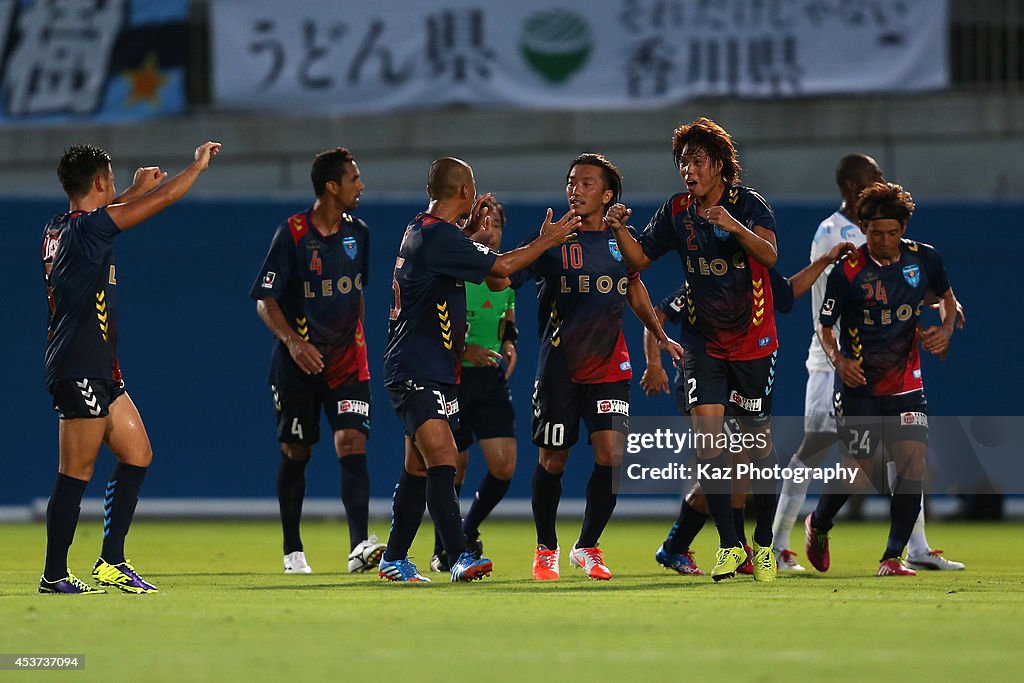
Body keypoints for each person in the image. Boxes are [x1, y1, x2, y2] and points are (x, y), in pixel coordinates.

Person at [378, 157, 581, 583]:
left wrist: (474, 239)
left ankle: (394, 558)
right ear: (466, 192)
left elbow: (487, 275)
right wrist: (548, 240)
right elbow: (503, 269)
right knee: (444, 458)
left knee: (418, 467)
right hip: (417, 367)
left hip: (426, 367)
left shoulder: (423, 229)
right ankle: (458, 555)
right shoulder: (438, 238)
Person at [39, 141, 221, 594]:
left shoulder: (61, 226)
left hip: (101, 365)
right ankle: (54, 575)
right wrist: (194, 166)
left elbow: (104, 217)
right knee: (74, 473)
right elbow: (162, 200)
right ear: (100, 182)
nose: (116, 186)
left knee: (138, 453)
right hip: (78, 364)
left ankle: (111, 561)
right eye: (113, 180)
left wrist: (132, 191)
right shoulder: (87, 231)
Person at [606, 116, 781, 582]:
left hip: (753, 343)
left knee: (756, 451)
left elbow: (769, 255)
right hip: (703, 342)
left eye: (696, 160)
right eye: (682, 162)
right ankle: (729, 546)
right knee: (709, 440)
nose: (688, 169)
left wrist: (733, 225)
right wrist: (618, 229)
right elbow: (639, 258)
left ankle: (762, 543)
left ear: (720, 165)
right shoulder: (677, 210)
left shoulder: (749, 205)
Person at [771, 155, 965, 572]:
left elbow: (929, 292)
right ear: (849, 186)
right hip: (838, 366)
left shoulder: (912, 250)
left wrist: (945, 320)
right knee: (836, 455)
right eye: (869, 176)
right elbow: (824, 307)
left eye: (878, 176)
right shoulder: (833, 240)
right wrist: (838, 358)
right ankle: (787, 538)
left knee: (907, 457)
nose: (878, 179)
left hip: (898, 373)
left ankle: (907, 550)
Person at [515, 153, 684, 581]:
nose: (576, 189)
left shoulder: (617, 241)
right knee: (553, 460)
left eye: (587, 183)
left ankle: (587, 546)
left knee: (611, 454)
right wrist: (538, 244)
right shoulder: (554, 239)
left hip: (611, 367)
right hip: (559, 369)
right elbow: (504, 278)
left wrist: (660, 338)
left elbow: (635, 288)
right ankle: (546, 549)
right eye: (572, 182)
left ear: (608, 195)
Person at [641, 247, 855, 576]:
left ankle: (679, 546)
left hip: (740, 383)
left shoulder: (761, 278)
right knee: (731, 462)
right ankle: (731, 547)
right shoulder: (705, 285)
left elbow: (787, 293)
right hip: (703, 382)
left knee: (736, 469)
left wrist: (825, 261)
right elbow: (656, 312)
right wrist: (654, 362)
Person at [250, 147, 386, 575]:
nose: (360, 186)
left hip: (348, 364)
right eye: (354, 179)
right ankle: (293, 549)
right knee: (297, 450)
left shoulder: (359, 233)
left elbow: (357, 293)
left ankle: (360, 545)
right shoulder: (291, 233)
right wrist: (293, 342)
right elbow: (265, 300)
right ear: (332, 186)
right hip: (298, 366)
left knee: (352, 442)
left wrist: (358, 341)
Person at [429, 198, 518, 573]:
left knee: (504, 466)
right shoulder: (457, 269)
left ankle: (466, 529)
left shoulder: (503, 276)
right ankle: (443, 550)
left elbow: (506, 314)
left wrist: (510, 342)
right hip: (456, 378)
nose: (491, 230)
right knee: (455, 466)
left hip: (491, 380)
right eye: (484, 222)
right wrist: (467, 349)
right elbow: (433, 324)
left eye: (496, 223)